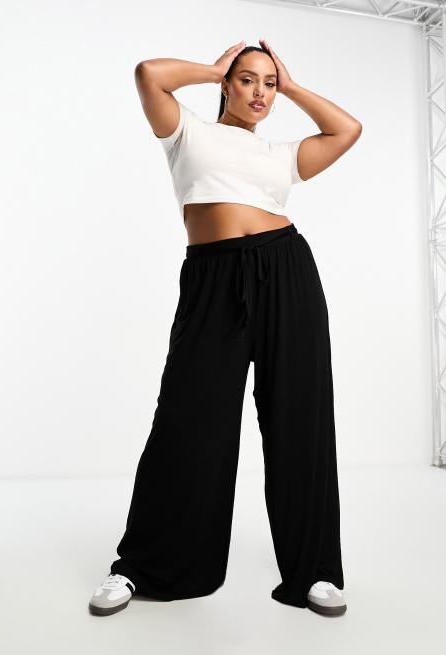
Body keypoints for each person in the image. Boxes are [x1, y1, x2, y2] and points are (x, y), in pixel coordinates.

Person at [88, 39, 362, 618]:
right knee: (186, 421)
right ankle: (141, 567)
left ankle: (315, 571)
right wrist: (213, 68)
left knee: (300, 420)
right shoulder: (186, 132)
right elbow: (149, 73)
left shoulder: (281, 155)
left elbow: (347, 130)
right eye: (247, 79)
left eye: (269, 83)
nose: (260, 92)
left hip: (286, 271)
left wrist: (292, 85)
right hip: (212, 280)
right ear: (226, 85)